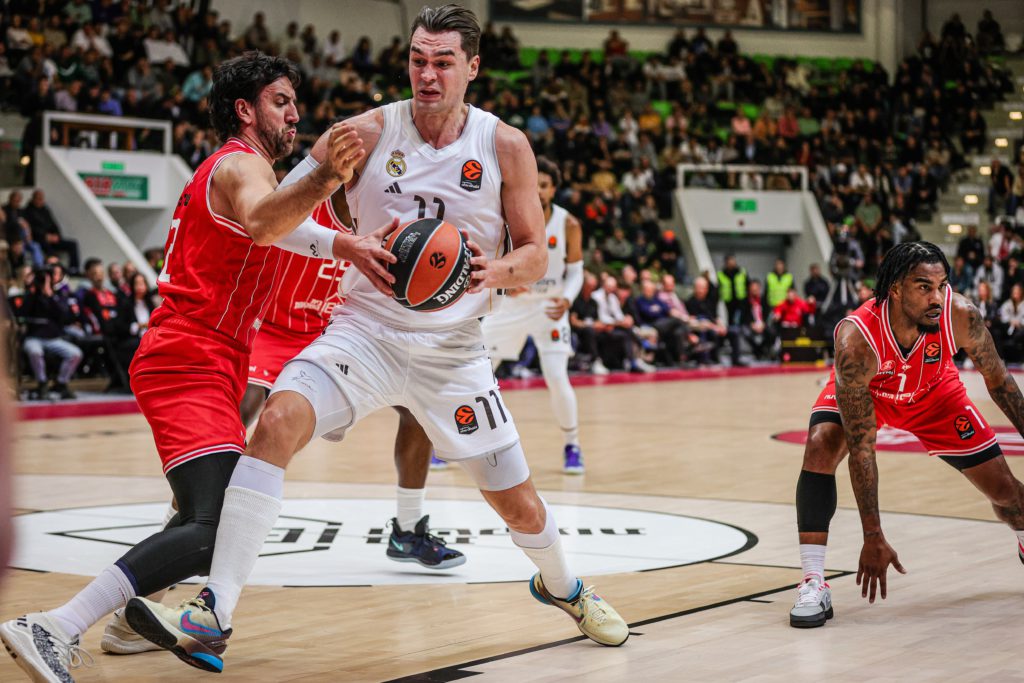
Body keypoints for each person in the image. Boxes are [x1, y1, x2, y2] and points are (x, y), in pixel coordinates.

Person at [125, 6, 628, 674]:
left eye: (442, 61)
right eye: (418, 58)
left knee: (519, 500)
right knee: (274, 422)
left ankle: (564, 585)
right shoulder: (362, 133)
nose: (427, 73)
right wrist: (340, 229)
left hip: (453, 351)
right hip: (363, 332)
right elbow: (282, 211)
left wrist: (495, 270)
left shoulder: (504, 145)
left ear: (472, 67)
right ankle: (215, 610)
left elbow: (536, 254)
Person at [0, 51, 394, 682]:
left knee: (197, 512)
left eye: (295, 102)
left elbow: (282, 228)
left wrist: (344, 242)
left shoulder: (247, 174)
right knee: (217, 527)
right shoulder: (241, 165)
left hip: (207, 355)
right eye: (281, 101)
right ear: (246, 110)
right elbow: (269, 224)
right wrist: (324, 178)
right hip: (190, 355)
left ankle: (129, 622)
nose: (295, 113)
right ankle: (52, 625)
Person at [790, 242, 1024, 629]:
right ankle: (813, 579)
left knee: (1006, 493)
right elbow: (864, 450)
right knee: (820, 446)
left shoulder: (960, 314)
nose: (937, 297)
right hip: (872, 395)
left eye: (942, 285)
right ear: (896, 289)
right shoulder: (857, 339)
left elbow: (999, 381)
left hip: (935, 395)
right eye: (924, 287)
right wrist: (873, 534)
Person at [237, 176, 464, 569]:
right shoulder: (303, 200)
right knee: (244, 409)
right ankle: (184, 522)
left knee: (417, 410)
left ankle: (408, 531)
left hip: (336, 328)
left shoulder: (392, 221)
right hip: (273, 327)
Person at [482, 156, 586, 473]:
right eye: (535, 183)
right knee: (476, 373)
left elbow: (577, 271)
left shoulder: (568, 224)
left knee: (556, 376)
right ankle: (453, 443)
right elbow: (493, 259)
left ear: (554, 189)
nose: (539, 190)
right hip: (511, 306)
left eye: (545, 185)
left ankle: (573, 446)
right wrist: (505, 284)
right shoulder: (507, 217)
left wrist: (567, 299)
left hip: (549, 308)